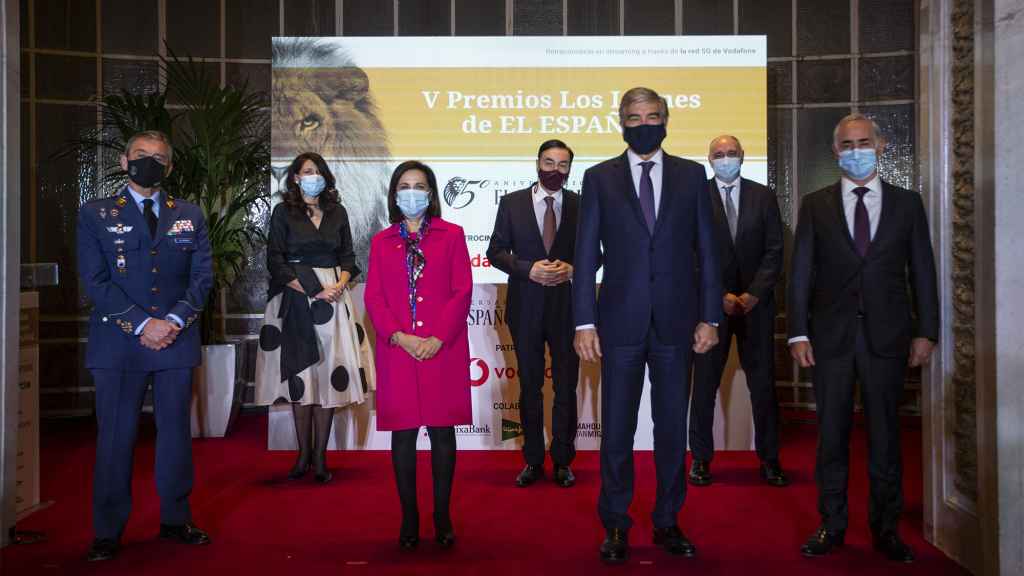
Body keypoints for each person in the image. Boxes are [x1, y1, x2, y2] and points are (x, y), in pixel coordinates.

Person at [573, 87, 722, 564]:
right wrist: (583, 321)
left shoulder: (692, 175)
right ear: (620, 122)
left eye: (652, 116)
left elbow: (708, 251)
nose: (643, 124)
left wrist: (710, 316)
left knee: (670, 431)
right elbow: (584, 255)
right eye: (634, 117)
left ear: (666, 120)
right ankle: (616, 524)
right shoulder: (598, 178)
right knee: (616, 429)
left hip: (678, 326)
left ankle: (667, 521)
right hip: (618, 325)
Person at [788, 113, 939, 563]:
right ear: (836, 152)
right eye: (847, 144)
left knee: (886, 436)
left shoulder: (908, 204)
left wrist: (926, 331)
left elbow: (923, 272)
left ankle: (885, 528)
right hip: (829, 339)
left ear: (881, 145)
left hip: (888, 338)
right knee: (831, 436)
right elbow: (800, 275)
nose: (855, 150)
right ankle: (831, 524)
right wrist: (797, 331)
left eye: (863, 142)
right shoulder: (815, 204)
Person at [77, 130, 213, 561]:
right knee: (116, 438)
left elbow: (202, 278)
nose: (149, 163)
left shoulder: (189, 214)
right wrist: (141, 325)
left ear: (169, 167)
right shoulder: (95, 213)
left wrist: (171, 321)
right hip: (118, 345)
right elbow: (95, 281)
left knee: (175, 436)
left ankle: (175, 519)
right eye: (141, 156)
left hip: (175, 340)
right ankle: (107, 531)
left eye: (159, 158)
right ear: (124, 161)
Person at [364, 161, 472, 551]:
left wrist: (438, 337)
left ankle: (441, 516)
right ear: (394, 195)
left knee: (443, 434)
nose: (412, 193)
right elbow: (374, 296)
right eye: (405, 186)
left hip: (443, 350)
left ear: (431, 193)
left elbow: (462, 291)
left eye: (420, 186)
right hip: (399, 351)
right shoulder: (381, 241)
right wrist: (399, 336)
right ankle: (409, 516)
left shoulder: (452, 235)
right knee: (404, 436)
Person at [255, 152, 368, 484]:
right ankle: (302, 454)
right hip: (295, 299)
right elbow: (275, 259)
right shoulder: (283, 212)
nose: (312, 176)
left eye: (318, 172)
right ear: (295, 177)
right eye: (307, 172)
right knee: (301, 374)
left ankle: (320, 457)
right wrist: (312, 289)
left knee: (327, 372)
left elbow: (348, 256)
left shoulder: (338, 212)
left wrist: (339, 284)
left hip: (334, 300)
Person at [688, 135, 788, 488]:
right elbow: (690, 253)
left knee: (763, 387)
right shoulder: (695, 195)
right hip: (710, 310)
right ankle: (700, 458)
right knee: (704, 385)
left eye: (731, 153)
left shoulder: (763, 195)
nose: (726, 159)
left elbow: (775, 250)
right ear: (709, 158)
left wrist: (753, 294)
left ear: (743, 157)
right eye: (719, 154)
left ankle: (770, 459)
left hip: (756, 308)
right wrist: (720, 296)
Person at [486, 139, 580, 489]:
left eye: (562, 165)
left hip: (568, 308)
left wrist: (574, 269)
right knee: (530, 386)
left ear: (570, 168)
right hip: (525, 305)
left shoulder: (579, 204)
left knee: (567, 386)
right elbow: (495, 251)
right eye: (549, 162)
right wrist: (527, 269)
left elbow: (598, 253)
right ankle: (533, 460)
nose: (555, 170)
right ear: (537, 163)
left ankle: (563, 461)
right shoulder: (512, 203)